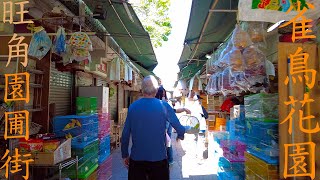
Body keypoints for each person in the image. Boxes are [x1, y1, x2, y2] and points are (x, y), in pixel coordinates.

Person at [121, 75, 186, 180]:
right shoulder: (164, 106)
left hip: (137, 160)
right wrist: (181, 135)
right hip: (159, 160)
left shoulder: (133, 107)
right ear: (156, 90)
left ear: (142, 90)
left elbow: (125, 134)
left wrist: (125, 154)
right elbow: (180, 128)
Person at [154, 84, 190, 166]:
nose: (163, 95)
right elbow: (173, 112)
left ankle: (168, 160)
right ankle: (169, 160)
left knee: (166, 141)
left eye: (164, 94)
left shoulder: (163, 104)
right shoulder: (162, 104)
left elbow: (174, 111)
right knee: (167, 142)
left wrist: (184, 109)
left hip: (163, 127)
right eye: (162, 94)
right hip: (163, 127)